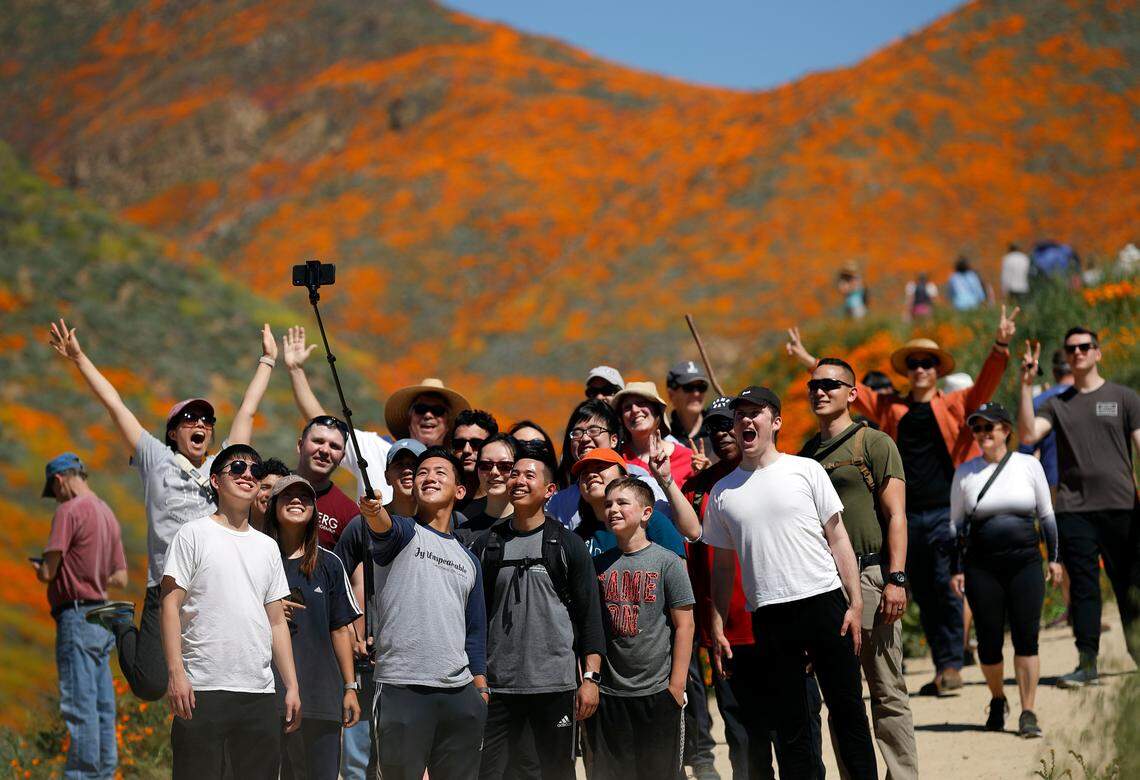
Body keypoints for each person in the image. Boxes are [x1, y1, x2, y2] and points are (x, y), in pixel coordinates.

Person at [786, 307, 1016, 695]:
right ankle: (946, 663)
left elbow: (986, 386)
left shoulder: (956, 403)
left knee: (944, 586)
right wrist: (811, 361)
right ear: (907, 371)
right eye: (914, 364)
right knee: (921, 588)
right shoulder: (892, 408)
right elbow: (851, 392)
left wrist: (1000, 345)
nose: (920, 369)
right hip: (903, 514)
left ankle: (951, 663)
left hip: (944, 508)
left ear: (936, 370)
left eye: (927, 363)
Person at [49, 318, 273, 702]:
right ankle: (121, 623)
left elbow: (247, 414)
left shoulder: (226, 467)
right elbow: (114, 404)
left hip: (212, 586)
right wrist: (79, 357)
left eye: (206, 420)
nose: (200, 424)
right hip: (165, 585)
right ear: (173, 432)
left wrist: (267, 361)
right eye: (190, 420)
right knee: (150, 684)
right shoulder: (155, 458)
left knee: (207, 684)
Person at [703, 386, 876, 779]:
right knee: (792, 723)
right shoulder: (722, 492)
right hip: (770, 614)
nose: (746, 420)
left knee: (848, 710)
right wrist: (716, 623)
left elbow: (839, 538)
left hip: (824, 601)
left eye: (756, 412)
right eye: (739, 414)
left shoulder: (806, 469)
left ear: (775, 422)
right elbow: (723, 568)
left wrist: (855, 603)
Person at [685, 398, 825, 779]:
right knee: (745, 741)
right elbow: (698, 569)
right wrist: (709, 634)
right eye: (713, 426)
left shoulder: (788, 473)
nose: (721, 432)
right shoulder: (698, 490)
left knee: (798, 731)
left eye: (727, 423)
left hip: (784, 624)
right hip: (730, 634)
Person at [798, 359, 918, 779]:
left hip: (870, 576)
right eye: (814, 384)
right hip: (823, 585)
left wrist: (896, 577)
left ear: (852, 393)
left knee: (886, 689)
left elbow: (897, 514)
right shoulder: (805, 457)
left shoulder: (874, 443)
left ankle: (902, 775)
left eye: (831, 384)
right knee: (842, 697)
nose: (820, 391)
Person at [160, 444, 301, 778]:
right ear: (215, 481)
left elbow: (277, 621)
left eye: (255, 470)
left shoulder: (267, 547)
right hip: (201, 689)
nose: (248, 475)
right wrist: (176, 673)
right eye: (237, 468)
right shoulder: (192, 534)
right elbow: (169, 605)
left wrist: (291, 685)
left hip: (258, 692)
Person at [473, 441, 605, 780]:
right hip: (499, 687)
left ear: (549, 490)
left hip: (555, 685)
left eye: (528, 475)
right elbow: (474, 616)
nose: (518, 480)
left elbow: (590, 616)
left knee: (556, 772)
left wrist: (590, 679)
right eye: (514, 474)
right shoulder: (489, 544)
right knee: (492, 773)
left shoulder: (567, 544)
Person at [356, 447, 488, 780]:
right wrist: (373, 510)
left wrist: (480, 690)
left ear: (460, 491)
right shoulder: (402, 533)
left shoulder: (469, 559)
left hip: (460, 695)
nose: (428, 477)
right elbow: (381, 524)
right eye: (422, 473)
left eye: (440, 472)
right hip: (402, 689)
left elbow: (474, 631)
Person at [1018, 328, 1140, 686]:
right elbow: (1027, 435)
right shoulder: (1056, 403)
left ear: (1098, 353)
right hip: (1074, 510)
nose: (1078, 352)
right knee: (1084, 589)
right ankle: (1087, 662)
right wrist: (1026, 385)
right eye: (1071, 348)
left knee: (1130, 585)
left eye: (1085, 346)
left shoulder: (1124, 397)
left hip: (1122, 508)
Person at [949, 403, 1062, 738]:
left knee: (1027, 639)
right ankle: (998, 698)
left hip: (1025, 563)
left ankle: (1028, 711)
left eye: (990, 427)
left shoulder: (1028, 465)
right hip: (982, 567)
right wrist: (957, 570)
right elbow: (955, 526)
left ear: (1006, 430)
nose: (983, 434)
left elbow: (1047, 516)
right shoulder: (965, 473)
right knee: (989, 643)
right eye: (978, 428)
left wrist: (1054, 559)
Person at [283, 325, 472, 501]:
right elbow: (322, 426)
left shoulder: (456, 466)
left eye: (437, 411)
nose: (428, 415)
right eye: (421, 409)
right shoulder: (375, 448)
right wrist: (296, 370)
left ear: (448, 422)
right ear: (409, 417)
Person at [586, 477, 695, 780]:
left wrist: (676, 686)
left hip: (658, 692)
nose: (613, 509)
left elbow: (685, 625)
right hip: (611, 695)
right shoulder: (598, 566)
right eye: (608, 504)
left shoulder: (667, 562)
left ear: (647, 513)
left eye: (622, 502)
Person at [333, 437, 425, 780]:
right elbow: (336, 575)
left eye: (414, 466)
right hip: (374, 659)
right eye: (399, 465)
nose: (406, 471)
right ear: (386, 476)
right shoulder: (362, 525)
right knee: (360, 762)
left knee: (411, 757)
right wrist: (354, 625)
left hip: (424, 661)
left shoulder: (443, 526)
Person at [35, 452, 128, 779]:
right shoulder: (107, 514)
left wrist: (43, 569)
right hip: (102, 618)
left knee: (80, 707)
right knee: (103, 707)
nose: (56, 497)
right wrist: (91, 572)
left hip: (75, 615)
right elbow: (121, 578)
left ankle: (81, 775)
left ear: (59, 480)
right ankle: (104, 773)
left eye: (54, 489)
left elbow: (49, 570)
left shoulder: (69, 510)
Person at [266, 475, 362, 779]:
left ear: (314, 512)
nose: (296, 500)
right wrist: (267, 611)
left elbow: (340, 629)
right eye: (287, 495)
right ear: (273, 507)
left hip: (321, 696)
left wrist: (349, 687)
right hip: (267, 694)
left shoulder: (330, 564)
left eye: (304, 497)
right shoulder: (256, 558)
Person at [550, 400, 667, 521]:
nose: (584, 438)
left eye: (594, 430)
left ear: (614, 440)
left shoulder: (644, 483)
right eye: (577, 433)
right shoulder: (559, 502)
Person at [570, 448, 689, 558]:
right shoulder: (576, 538)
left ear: (625, 479)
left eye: (600, 467)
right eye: (584, 473)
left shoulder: (651, 521)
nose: (591, 475)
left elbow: (678, 576)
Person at [293, 416, 360, 548]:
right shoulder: (271, 486)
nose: (324, 450)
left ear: (342, 457)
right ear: (300, 445)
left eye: (334, 446)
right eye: (318, 441)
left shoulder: (350, 514)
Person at [615, 382, 695, 490]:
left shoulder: (688, 458)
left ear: (657, 411)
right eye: (627, 407)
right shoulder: (616, 459)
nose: (634, 410)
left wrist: (706, 472)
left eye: (641, 403)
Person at [1018, 349, 1074, 490]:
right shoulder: (1090, 399)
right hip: (1093, 488)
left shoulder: (1038, 403)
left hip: (1052, 486)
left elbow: (1025, 453)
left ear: (1055, 372)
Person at [457, 434, 517, 540]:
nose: (494, 472)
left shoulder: (538, 523)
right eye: (486, 466)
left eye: (505, 466)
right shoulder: (462, 534)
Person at [666, 360, 712, 460]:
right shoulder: (665, 439)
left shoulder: (719, 431)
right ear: (671, 394)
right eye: (688, 387)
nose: (696, 394)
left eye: (701, 387)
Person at [453, 409, 500, 505]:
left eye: (476, 444)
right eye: (459, 444)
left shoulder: (506, 503)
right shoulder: (441, 501)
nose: (466, 450)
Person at [251, 458, 293, 532]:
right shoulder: (232, 527)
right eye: (264, 488)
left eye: (278, 488)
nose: (270, 494)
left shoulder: (288, 539)